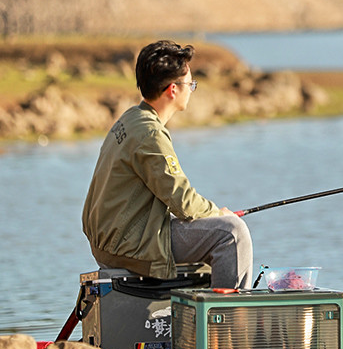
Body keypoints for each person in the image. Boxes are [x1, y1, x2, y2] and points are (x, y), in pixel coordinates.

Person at [82, 39, 253, 287]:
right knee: (232, 233)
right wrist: (219, 213)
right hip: (128, 244)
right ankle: (229, 323)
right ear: (173, 89)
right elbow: (183, 201)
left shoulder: (131, 118)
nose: (191, 90)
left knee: (214, 230)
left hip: (111, 241)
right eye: (190, 84)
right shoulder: (150, 134)